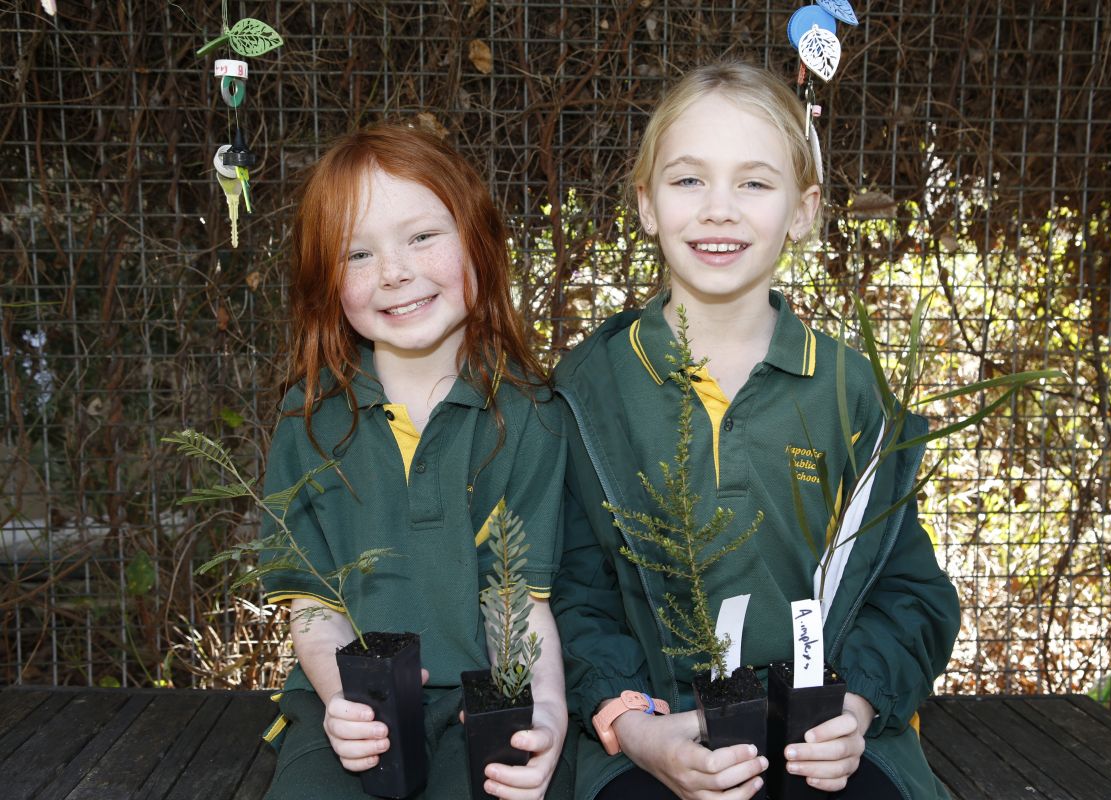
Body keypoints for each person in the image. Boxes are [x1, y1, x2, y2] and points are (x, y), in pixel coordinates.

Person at [551, 62, 960, 800]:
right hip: (659, 723)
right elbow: (574, 592)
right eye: (687, 181)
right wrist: (634, 726)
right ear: (645, 204)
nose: (718, 210)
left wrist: (858, 706)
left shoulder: (848, 388)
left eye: (754, 183)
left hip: (822, 725)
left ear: (801, 211)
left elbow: (911, 591)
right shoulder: (589, 386)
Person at [258, 122, 571, 800]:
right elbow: (314, 608)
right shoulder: (308, 420)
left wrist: (544, 708)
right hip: (345, 700)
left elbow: (520, 601)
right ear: (325, 281)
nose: (394, 272)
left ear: (478, 242)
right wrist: (344, 702)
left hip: (480, 699)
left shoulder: (529, 415)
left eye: (422, 237)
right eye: (357, 254)